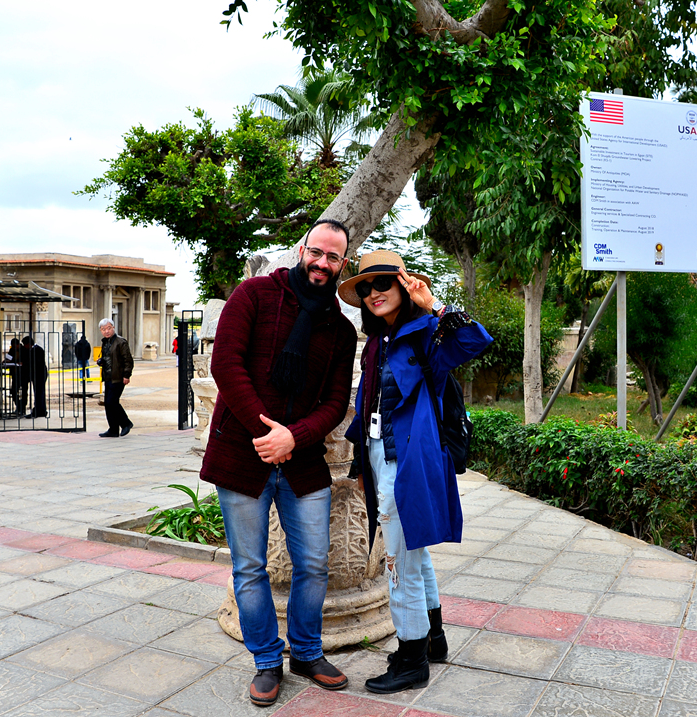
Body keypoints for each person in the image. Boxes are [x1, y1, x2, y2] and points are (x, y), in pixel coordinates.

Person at [200, 219, 357, 707]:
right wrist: (268, 433)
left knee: (314, 564)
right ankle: (267, 660)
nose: (323, 263)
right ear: (302, 249)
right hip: (241, 453)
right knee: (250, 567)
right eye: (317, 252)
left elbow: (335, 401)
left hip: (302, 460)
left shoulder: (340, 329)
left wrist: (294, 437)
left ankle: (306, 653)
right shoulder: (253, 295)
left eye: (333, 257)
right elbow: (226, 365)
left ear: (343, 264)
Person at [339, 250, 491, 694]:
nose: (373, 293)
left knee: (398, 559)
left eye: (383, 283)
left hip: (407, 460)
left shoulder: (426, 332)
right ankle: (432, 639)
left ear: (404, 286)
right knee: (414, 552)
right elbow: (367, 405)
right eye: (365, 287)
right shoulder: (376, 343)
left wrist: (434, 305)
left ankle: (411, 659)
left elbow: (475, 341)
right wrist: (360, 460)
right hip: (378, 455)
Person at [98, 319, 133, 437]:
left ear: (113, 327)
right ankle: (113, 429)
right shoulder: (105, 342)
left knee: (112, 401)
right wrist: (101, 361)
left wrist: (126, 375)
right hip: (108, 377)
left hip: (118, 377)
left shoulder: (120, 342)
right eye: (103, 329)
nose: (106, 331)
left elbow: (127, 360)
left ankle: (126, 423)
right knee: (108, 404)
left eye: (109, 328)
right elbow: (108, 357)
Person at [20, 336, 47, 419]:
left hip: (39, 374)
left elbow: (36, 363)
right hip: (35, 374)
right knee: (39, 393)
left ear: (28, 344)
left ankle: (38, 411)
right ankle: (41, 410)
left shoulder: (38, 350)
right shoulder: (31, 350)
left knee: (39, 393)